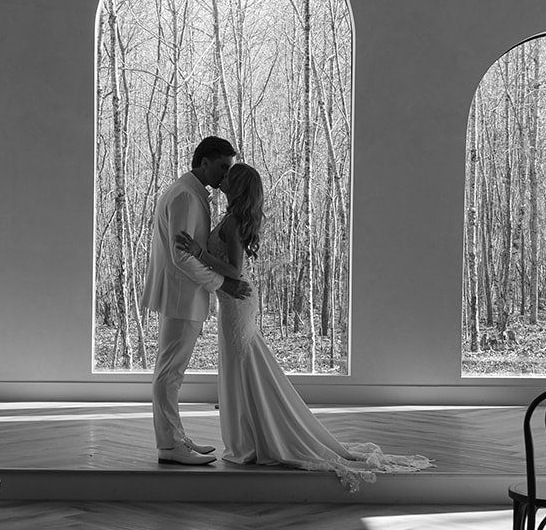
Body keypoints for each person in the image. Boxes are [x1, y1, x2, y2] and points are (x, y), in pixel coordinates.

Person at [176, 163, 434, 491]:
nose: (222, 177)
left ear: (236, 185)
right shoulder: (229, 218)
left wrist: (199, 252)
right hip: (231, 302)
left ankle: (261, 438)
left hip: (236, 301)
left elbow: (235, 271)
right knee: (243, 369)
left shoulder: (234, 222)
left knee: (243, 369)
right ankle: (251, 437)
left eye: (228, 175)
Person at [141, 137, 252, 466]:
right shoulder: (187, 197)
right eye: (222, 167)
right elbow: (181, 258)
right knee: (170, 374)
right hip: (182, 297)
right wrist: (223, 285)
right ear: (204, 163)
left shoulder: (188, 192)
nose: (225, 175)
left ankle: (175, 438)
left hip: (183, 296)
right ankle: (171, 446)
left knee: (171, 372)